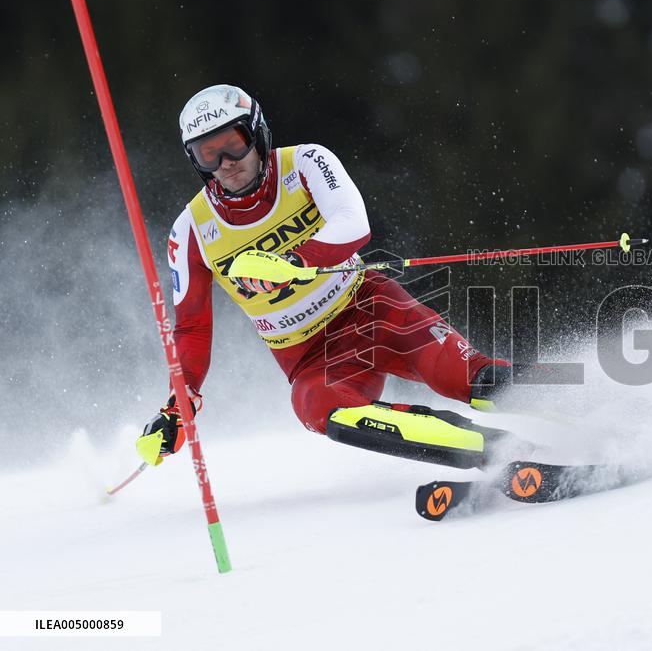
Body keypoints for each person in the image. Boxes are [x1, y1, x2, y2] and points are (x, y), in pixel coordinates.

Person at [139, 84, 518, 470]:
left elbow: (354, 222)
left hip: (372, 311)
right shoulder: (191, 230)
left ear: (257, 133)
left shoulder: (306, 162)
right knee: (316, 407)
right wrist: (178, 407)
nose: (225, 162)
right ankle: (493, 449)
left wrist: (294, 262)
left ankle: (577, 387)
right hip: (311, 358)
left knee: (471, 377)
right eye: (208, 154)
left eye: (233, 143)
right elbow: (192, 329)